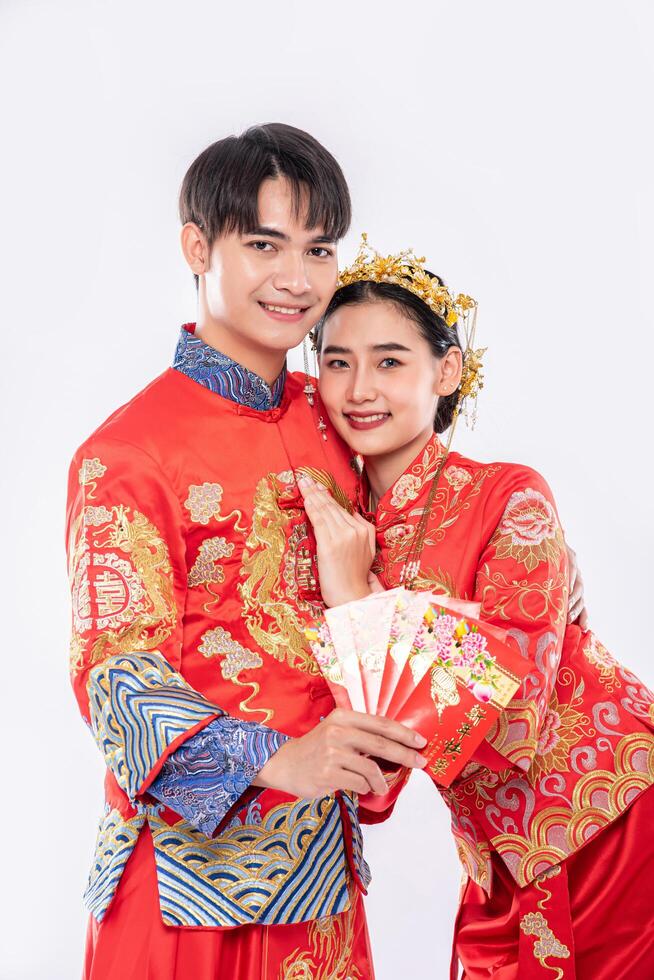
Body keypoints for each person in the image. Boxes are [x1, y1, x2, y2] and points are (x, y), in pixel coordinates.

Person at [65, 125, 431, 980]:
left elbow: (431, 559)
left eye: (318, 249)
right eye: (264, 244)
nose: (297, 280)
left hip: (324, 875)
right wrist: (275, 757)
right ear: (199, 246)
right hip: (185, 889)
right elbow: (115, 672)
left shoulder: (339, 414)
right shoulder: (128, 454)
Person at [299, 236, 654, 979]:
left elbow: (517, 698)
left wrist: (359, 601)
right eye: (337, 361)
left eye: (390, 360)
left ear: (448, 369)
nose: (359, 387)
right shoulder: (338, 527)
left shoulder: (510, 495)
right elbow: (376, 775)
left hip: (620, 816)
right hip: (500, 856)